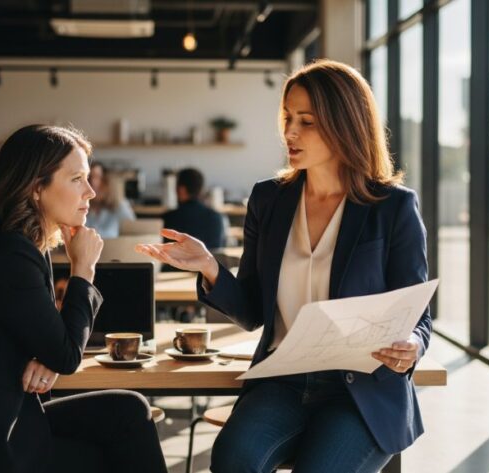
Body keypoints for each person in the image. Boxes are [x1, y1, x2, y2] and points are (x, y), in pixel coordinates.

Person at [136, 59, 431, 472]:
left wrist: (412, 347)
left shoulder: (393, 207)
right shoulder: (268, 201)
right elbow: (254, 310)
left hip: (360, 391)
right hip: (282, 382)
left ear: (344, 124)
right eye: (288, 118)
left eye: (306, 121)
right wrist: (209, 266)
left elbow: (417, 317)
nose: (290, 132)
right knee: (231, 460)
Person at [0, 125, 168, 473]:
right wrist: (83, 268)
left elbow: (53, 344)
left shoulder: (15, 245)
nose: (91, 191)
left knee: (128, 410)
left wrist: (48, 353)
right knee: (110, 452)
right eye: (77, 179)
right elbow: (68, 353)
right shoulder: (9, 254)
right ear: (37, 188)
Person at [161, 168, 226, 250]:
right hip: (209, 262)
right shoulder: (217, 218)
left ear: (181, 189)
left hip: (176, 262)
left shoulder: (169, 218)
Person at [85, 162, 135, 238]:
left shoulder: (116, 206)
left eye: (97, 177)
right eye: (89, 177)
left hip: (112, 248)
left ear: (106, 181)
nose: (93, 183)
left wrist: (117, 198)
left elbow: (133, 226)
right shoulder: (81, 208)